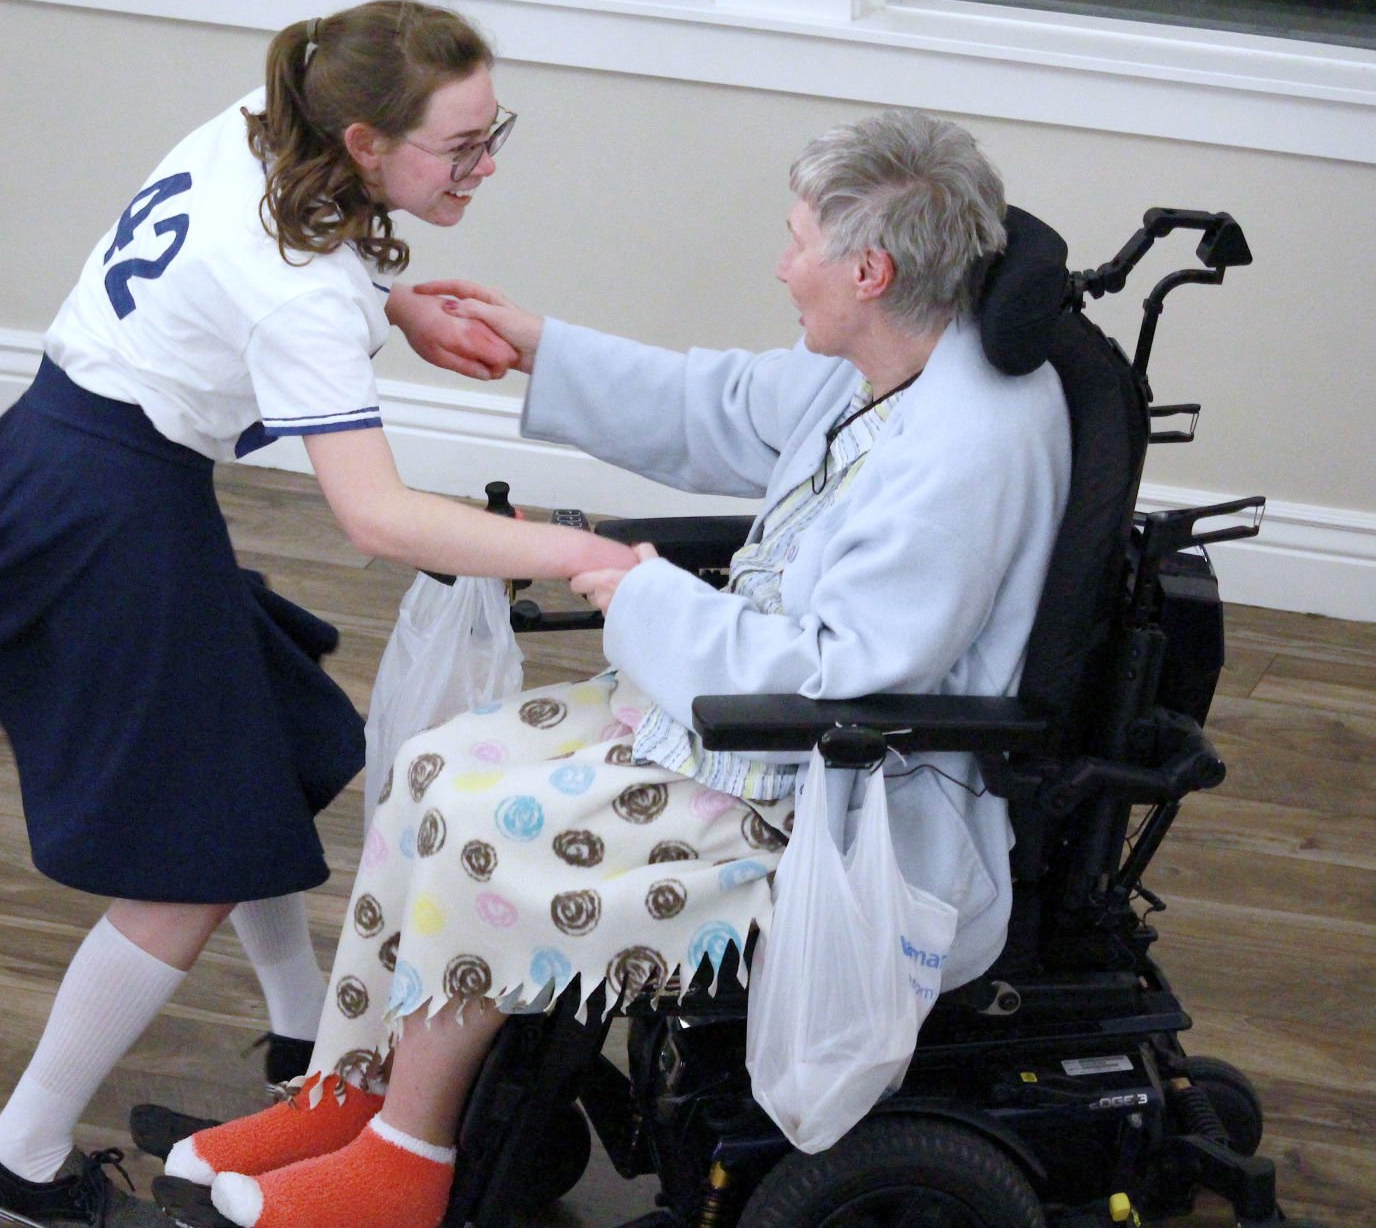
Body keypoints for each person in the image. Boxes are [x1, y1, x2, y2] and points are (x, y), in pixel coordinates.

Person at [157, 108, 1072, 1228]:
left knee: (489, 832)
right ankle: (359, 1087)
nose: (781, 265)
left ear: (870, 269)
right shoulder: (908, 349)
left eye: (797, 243)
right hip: (743, 723)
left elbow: (841, 678)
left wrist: (644, 594)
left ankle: (405, 1161)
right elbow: (728, 406)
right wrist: (542, 343)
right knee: (438, 768)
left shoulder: (964, 451)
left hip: (836, 793)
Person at [0, 0, 637, 1228]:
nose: (487, 163)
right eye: (461, 146)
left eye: (489, 130)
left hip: (76, 457)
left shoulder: (259, 126)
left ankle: (306, 1049)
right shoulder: (301, 288)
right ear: (361, 141)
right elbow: (379, 517)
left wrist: (394, 309)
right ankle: (17, 1158)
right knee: (188, 859)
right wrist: (577, 546)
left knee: (283, 745)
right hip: (104, 507)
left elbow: (252, 275)